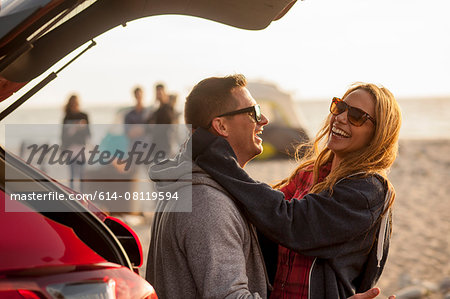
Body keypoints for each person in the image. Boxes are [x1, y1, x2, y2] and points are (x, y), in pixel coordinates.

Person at [146, 75, 395, 299]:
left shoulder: (366, 190)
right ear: (220, 126)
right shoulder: (310, 174)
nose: (340, 117)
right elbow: (263, 212)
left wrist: (217, 160)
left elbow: (291, 222)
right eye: (340, 107)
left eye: (356, 116)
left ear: (379, 132)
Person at [61, 94, 90, 192]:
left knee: (82, 175)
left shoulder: (84, 116)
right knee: (73, 175)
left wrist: (82, 126)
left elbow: (88, 134)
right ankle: (73, 197)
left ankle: (82, 197)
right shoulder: (67, 117)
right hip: (70, 148)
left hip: (81, 148)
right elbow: (63, 136)